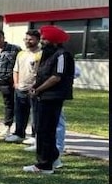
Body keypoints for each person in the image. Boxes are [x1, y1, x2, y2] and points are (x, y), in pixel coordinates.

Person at [22, 25, 75, 175]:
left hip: (53, 97)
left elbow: (56, 77)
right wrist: (35, 86)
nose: (42, 41)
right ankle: (54, 158)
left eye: (45, 39)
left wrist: (38, 89)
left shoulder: (62, 55)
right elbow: (43, 74)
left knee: (46, 130)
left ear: (54, 41)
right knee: (42, 129)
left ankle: (44, 165)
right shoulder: (47, 54)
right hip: (43, 96)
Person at [7, 30, 41, 144]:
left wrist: (36, 86)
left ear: (37, 40)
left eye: (30, 39)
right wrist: (16, 84)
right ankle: (19, 133)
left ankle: (35, 135)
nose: (27, 41)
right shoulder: (21, 53)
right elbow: (15, 70)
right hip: (20, 88)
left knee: (35, 113)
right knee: (20, 112)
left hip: (34, 89)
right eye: (26, 39)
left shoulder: (41, 54)